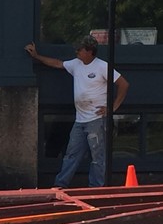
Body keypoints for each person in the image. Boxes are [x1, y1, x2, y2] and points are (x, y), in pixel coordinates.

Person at [25, 35, 129, 188]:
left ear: (89, 51)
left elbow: (123, 84)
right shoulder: (76, 64)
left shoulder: (102, 66)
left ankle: (96, 188)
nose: (77, 52)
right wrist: (37, 56)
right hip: (80, 120)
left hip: (96, 119)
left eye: (80, 49)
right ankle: (61, 184)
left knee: (97, 157)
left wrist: (112, 108)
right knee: (71, 154)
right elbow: (58, 64)